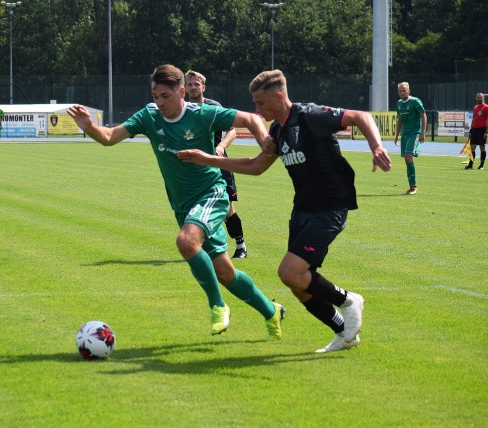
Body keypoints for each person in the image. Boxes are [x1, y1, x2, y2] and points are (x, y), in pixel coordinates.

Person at [178, 69, 392, 353]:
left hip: (330, 205)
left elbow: (359, 116)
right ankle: (343, 333)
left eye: (261, 103)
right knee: (300, 284)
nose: (257, 110)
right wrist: (207, 160)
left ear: (279, 97)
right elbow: (255, 167)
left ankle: (350, 301)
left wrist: (376, 146)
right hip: (302, 209)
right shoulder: (278, 132)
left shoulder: (309, 116)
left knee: (289, 272)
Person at [67, 64, 285, 340]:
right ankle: (271, 311)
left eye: (165, 96)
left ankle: (217, 305)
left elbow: (252, 120)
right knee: (225, 273)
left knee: (186, 242)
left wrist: (265, 143)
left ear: (182, 92)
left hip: (212, 195)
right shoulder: (149, 116)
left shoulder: (203, 113)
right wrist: (89, 127)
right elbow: (110, 137)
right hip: (183, 206)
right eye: (155, 96)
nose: (159, 103)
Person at [185, 70, 248, 259]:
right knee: (197, 208)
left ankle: (241, 245)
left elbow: (232, 131)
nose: (193, 87)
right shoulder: (183, 110)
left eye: (197, 84)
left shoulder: (213, 107)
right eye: (190, 84)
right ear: (185, 88)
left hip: (219, 165)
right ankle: (206, 247)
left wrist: (220, 146)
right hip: (195, 168)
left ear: (203, 87)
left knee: (227, 208)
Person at [394, 82, 427, 195]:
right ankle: (411, 186)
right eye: (400, 91)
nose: (402, 93)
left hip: (415, 133)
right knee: (407, 160)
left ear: (409, 90)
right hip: (405, 134)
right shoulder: (399, 103)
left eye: (404, 90)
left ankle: (414, 187)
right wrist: (397, 135)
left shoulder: (415, 101)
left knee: (408, 157)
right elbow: (400, 120)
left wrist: (423, 132)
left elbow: (423, 115)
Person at [466, 92, 488, 170]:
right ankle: (470, 165)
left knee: (482, 148)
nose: (479, 99)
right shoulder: (475, 107)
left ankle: (481, 165)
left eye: (481, 97)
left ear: (483, 98)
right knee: (472, 147)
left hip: (482, 129)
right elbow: (473, 119)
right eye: (478, 97)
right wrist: (471, 130)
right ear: (476, 98)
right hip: (475, 130)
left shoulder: (486, 107)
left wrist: (486, 132)